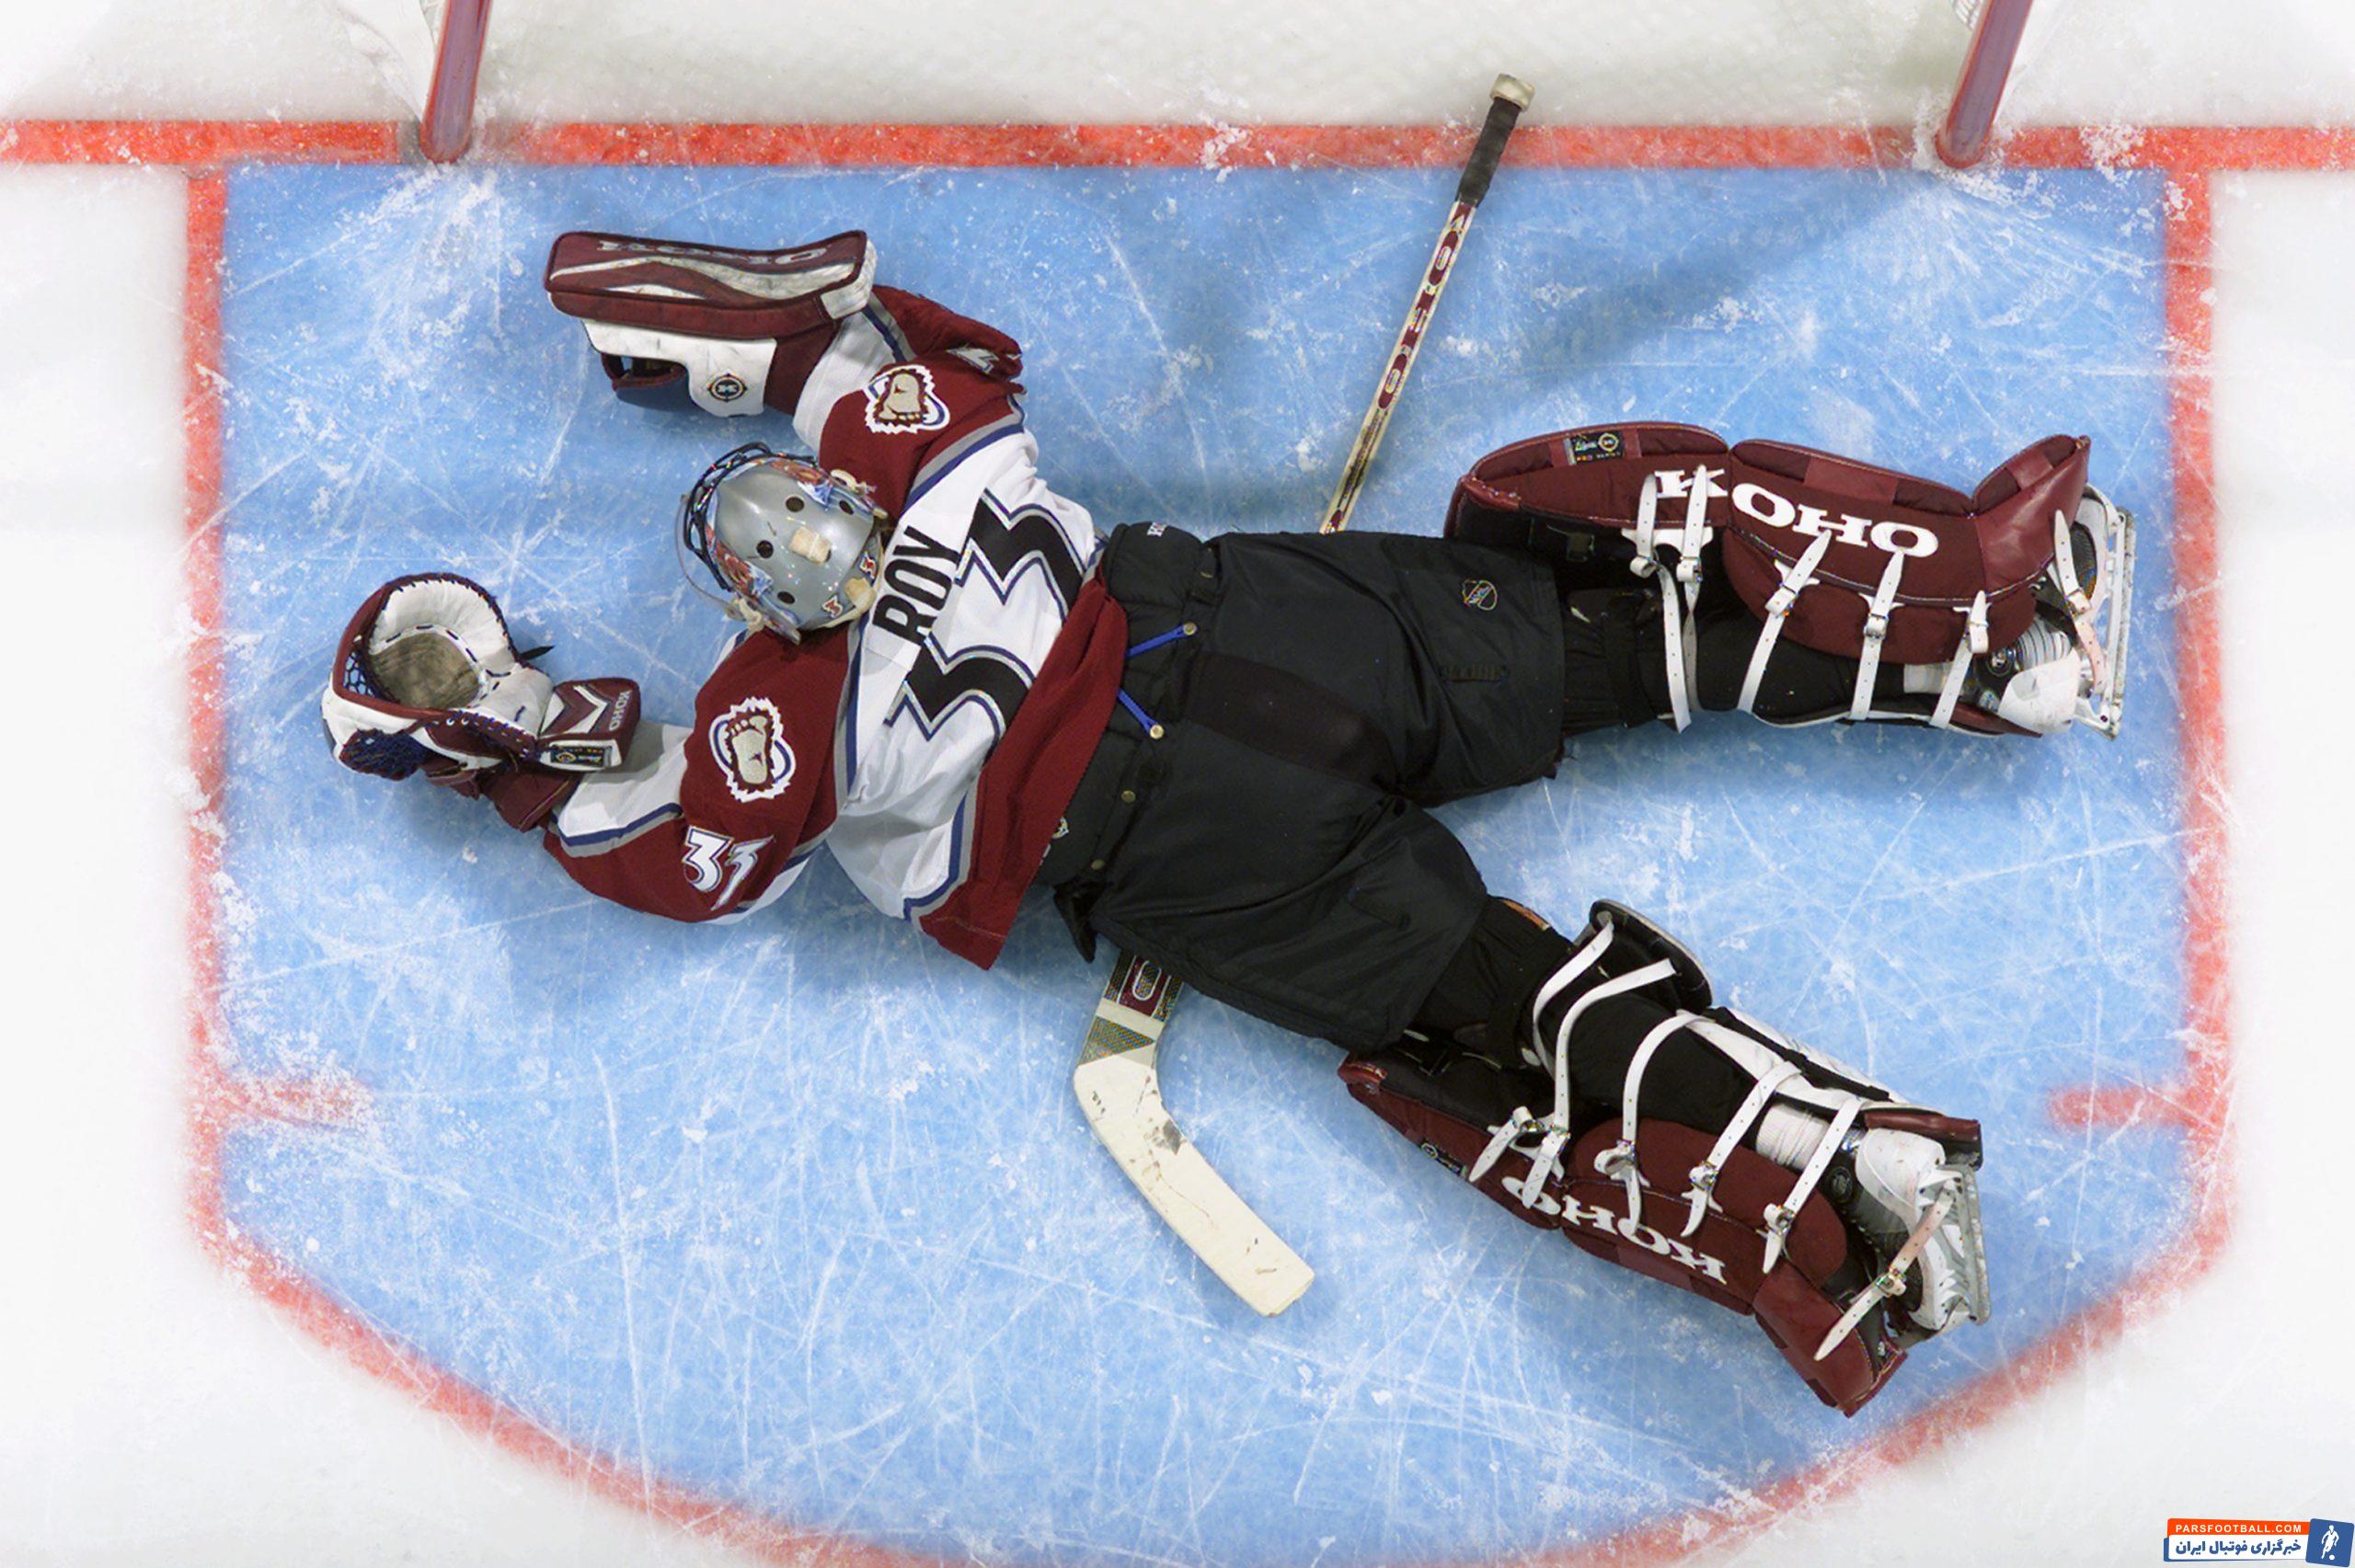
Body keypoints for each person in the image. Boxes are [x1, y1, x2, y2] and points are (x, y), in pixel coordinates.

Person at [320, 229, 2133, 1413]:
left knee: (1492, 1019)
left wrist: (511, 734)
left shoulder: (775, 722)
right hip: (1248, 638)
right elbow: (838, 334)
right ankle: (1984, 644)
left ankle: (1843, 1180)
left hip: (1179, 848)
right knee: (1598, 616)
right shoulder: (920, 454)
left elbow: (663, 851)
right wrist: (704, 337)